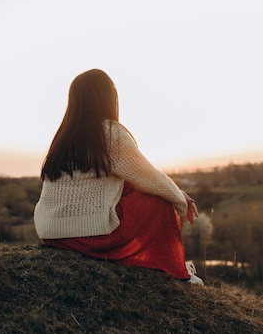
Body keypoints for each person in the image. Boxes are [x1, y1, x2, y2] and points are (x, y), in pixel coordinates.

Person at [34, 69, 204, 284]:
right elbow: (149, 178)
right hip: (87, 235)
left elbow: (131, 182)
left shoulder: (63, 138)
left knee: (129, 190)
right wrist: (179, 198)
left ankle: (160, 263)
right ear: (107, 97)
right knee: (160, 202)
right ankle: (176, 270)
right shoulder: (110, 133)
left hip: (51, 233)